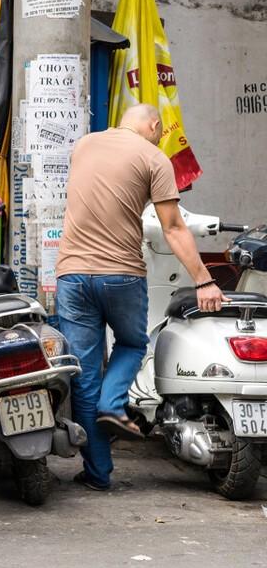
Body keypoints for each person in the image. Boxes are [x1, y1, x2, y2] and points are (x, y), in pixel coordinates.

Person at [55, 104, 224, 492]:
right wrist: (204, 280)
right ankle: (112, 404)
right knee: (132, 344)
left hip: (72, 274)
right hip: (121, 275)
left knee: (85, 378)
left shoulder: (84, 145)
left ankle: (98, 473)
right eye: (159, 131)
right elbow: (174, 227)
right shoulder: (154, 157)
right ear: (152, 125)